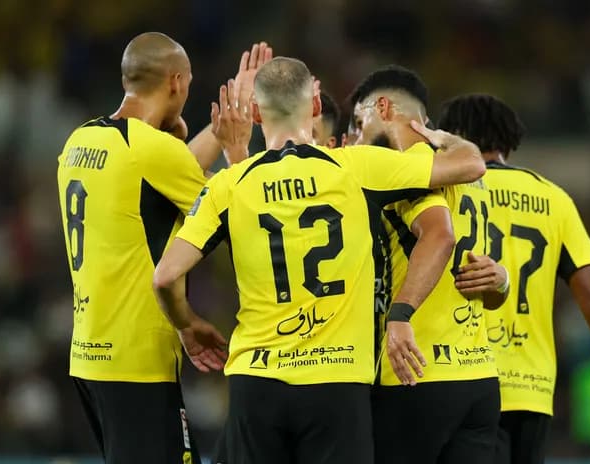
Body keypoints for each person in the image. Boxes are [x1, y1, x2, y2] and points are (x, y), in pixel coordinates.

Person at [152, 56, 485, 464]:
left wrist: (188, 325)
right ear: (314, 104)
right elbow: (471, 166)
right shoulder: (359, 166)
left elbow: (165, 276)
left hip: (257, 380)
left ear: (255, 113)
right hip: (337, 383)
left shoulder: (229, 184)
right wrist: (448, 138)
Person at [56, 33, 270, 464]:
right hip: (136, 363)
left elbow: (165, 175)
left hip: (89, 357)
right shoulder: (152, 151)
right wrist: (238, 147)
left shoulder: (81, 141)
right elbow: (237, 210)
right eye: (188, 84)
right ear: (175, 82)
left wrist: (230, 114)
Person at [437, 94, 590, 464]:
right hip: (530, 389)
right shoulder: (554, 199)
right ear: (508, 142)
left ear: (454, 136)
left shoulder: (446, 189)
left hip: (461, 378)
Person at [348, 65, 507, 464]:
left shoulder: (406, 169)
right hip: (478, 376)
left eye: (357, 122)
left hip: (417, 368)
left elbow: (440, 235)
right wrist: (501, 282)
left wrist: (400, 314)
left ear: (382, 107)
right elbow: (483, 288)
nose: (355, 138)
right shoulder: (469, 176)